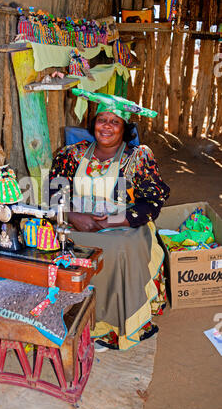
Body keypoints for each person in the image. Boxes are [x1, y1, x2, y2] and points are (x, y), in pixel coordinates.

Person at [49, 89, 170, 351]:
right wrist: (72, 215)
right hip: (78, 224)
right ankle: (68, 314)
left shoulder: (138, 157)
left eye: (114, 121)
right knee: (54, 243)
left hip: (124, 227)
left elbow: (152, 202)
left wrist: (112, 221)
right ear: (93, 123)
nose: (106, 126)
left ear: (124, 128)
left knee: (114, 250)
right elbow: (55, 193)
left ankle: (109, 325)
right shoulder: (72, 154)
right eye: (102, 119)